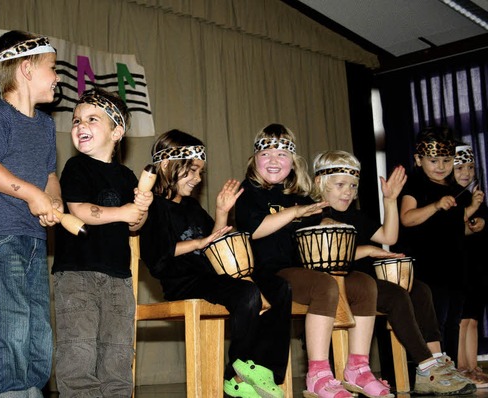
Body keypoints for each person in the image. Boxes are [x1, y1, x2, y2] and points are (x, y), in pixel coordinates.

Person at [235, 123, 393, 398]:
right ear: (254, 160)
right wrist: (297, 212)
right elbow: (255, 229)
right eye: (267, 154)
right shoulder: (248, 192)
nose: (274, 160)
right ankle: (317, 374)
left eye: (282, 155)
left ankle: (358, 367)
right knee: (323, 285)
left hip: (305, 272)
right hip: (270, 273)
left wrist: (327, 220)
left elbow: (321, 227)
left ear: (293, 162)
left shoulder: (300, 197)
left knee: (365, 284)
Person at [139, 129, 289, 398]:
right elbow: (157, 256)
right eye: (193, 170)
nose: (198, 179)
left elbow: (215, 241)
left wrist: (221, 212)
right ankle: (235, 375)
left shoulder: (192, 208)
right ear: (166, 165)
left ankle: (266, 369)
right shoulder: (154, 207)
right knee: (247, 293)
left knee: (279, 288)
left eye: (200, 172)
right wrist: (197, 243)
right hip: (183, 283)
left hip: (212, 277)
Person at [312, 150, 475, 395]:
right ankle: (425, 365)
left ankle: (437, 358)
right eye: (340, 185)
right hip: (343, 283)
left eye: (353, 185)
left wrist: (390, 201)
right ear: (320, 183)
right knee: (396, 295)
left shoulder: (356, 216)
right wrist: (367, 250)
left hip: (368, 282)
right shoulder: (315, 214)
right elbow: (324, 255)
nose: (348, 191)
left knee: (419, 289)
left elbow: (389, 237)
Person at [0, 30, 61, 397]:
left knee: (39, 330)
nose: (58, 77)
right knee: (10, 326)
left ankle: (32, 390)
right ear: (26, 68)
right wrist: (31, 195)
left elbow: (50, 174)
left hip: (34, 240)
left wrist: (53, 200)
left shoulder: (45, 124)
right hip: (1, 237)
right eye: (52, 68)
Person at [52, 87, 153, 397]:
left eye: (92, 119)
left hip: (119, 280)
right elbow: (80, 211)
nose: (81, 126)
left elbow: (135, 226)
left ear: (117, 131)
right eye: (76, 120)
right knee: (78, 353)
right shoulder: (77, 168)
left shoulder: (126, 177)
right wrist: (124, 211)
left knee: (118, 356)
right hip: (77, 277)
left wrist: (141, 208)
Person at [398, 127, 477, 365]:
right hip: (428, 268)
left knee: (453, 320)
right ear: (418, 160)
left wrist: (470, 227)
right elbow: (407, 218)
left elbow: (452, 229)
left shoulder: (455, 190)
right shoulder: (414, 184)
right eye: (434, 160)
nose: (441, 166)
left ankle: (450, 369)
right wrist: (435, 205)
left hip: (455, 266)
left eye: (447, 160)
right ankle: (429, 370)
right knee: (434, 322)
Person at [452, 144, 488, 387]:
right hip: (458, 264)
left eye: (471, 167)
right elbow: (452, 227)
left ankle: (473, 365)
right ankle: (461, 367)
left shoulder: (473, 194)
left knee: (474, 317)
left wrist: (482, 221)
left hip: (478, 264)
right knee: (462, 319)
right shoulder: (449, 198)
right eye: (460, 167)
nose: (466, 173)